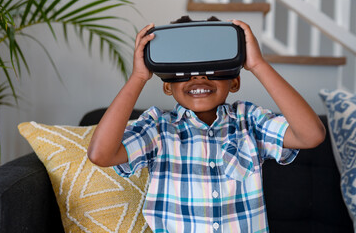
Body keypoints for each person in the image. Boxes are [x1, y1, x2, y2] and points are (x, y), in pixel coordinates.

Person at [87, 16, 326, 232]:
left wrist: (258, 65)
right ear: (167, 86)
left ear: (234, 82)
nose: (199, 77)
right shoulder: (158, 128)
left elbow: (311, 135)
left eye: (211, 68)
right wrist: (138, 77)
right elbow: (101, 154)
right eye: (184, 70)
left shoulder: (250, 121)